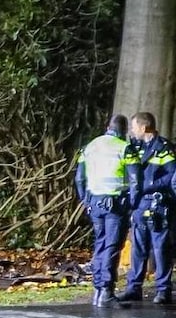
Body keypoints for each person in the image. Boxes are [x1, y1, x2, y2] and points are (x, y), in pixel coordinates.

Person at [75, 113, 142, 307]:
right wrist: (132, 204)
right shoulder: (125, 148)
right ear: (123, 130)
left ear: (107, 127)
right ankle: (106, 291)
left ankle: (97, 290)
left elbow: (79, 179)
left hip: (95, 203)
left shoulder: (90, 147)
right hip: (116, 204)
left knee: (100, 244)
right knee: (112, 247)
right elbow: (136, 181)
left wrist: (85, 200)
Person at [121, 112, 176, 304]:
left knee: (160, 248)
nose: (132, 131)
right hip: (139, 204)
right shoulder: (134, 148)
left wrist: (149, 186)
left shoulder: (164, 148)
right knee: (138, 247)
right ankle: (133, 288)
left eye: (134, 127)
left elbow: (170, 176)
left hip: (158, 203)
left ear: (144, 128)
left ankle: (163, 290)